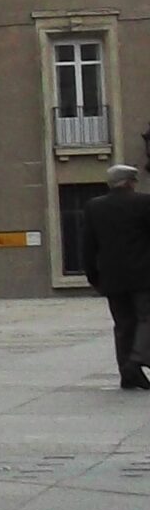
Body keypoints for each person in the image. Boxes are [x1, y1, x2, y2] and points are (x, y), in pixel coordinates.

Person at [82, 167, 150, 390]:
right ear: (130, 182)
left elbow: (89, 245)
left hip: (111, 277)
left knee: (122, 325)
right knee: (146, 319)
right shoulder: (144, 203)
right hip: (143, 275)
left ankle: (128, 375)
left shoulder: (94, 207)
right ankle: (135, 361)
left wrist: (93, 276)